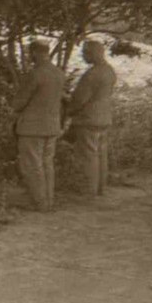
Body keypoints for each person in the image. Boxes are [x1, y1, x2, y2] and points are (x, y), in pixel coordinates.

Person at [12, 40, 66, 211]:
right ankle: (48, 200)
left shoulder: (35, 74)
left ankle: (39, 202)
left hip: (32, 128)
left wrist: (13, 104)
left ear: (35, 52)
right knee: (47, 164)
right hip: (51, 126)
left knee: (32, 165)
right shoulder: (58, 73)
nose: (29, 57)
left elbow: (19, 103)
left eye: (30, 53)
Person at [66, 38, 117, 198]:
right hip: (104, 117)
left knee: (88, 155)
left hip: (88, 119)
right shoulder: (109, 70)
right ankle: (100, 189)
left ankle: (89, 191)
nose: (83, 56)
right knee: (101, 154)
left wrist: (68, 110)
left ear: (93, 53)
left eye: (85, 53)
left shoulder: (92, 74)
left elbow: (80, 99)